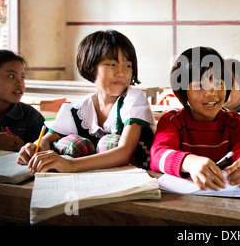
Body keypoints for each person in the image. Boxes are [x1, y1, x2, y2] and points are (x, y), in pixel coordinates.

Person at [17, 30, 156, 172]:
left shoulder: (133, 99)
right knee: (72, 143)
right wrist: (35, 148)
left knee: (109, 143)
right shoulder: (79, 108)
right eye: (112, 65)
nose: (121, 73)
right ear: (91, 67)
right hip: (89, 179)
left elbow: (124, 153)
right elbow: (47, 140)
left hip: (134, 176)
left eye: (127, 66)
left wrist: (70, 165)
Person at [150, 46, 240, 191]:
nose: (211, 92)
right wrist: (188, 162)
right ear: (182, 91)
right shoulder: (172, 121)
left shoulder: (235, 122)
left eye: (219, 83)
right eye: (200, 85)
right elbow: (158, 155)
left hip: (226, 201)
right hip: (181, 202)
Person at [0, 50, 45, 151]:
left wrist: (23, 147)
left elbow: (44, 149)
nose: (20, 83)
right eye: (11, 76)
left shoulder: (31, 116)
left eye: (22, 77)